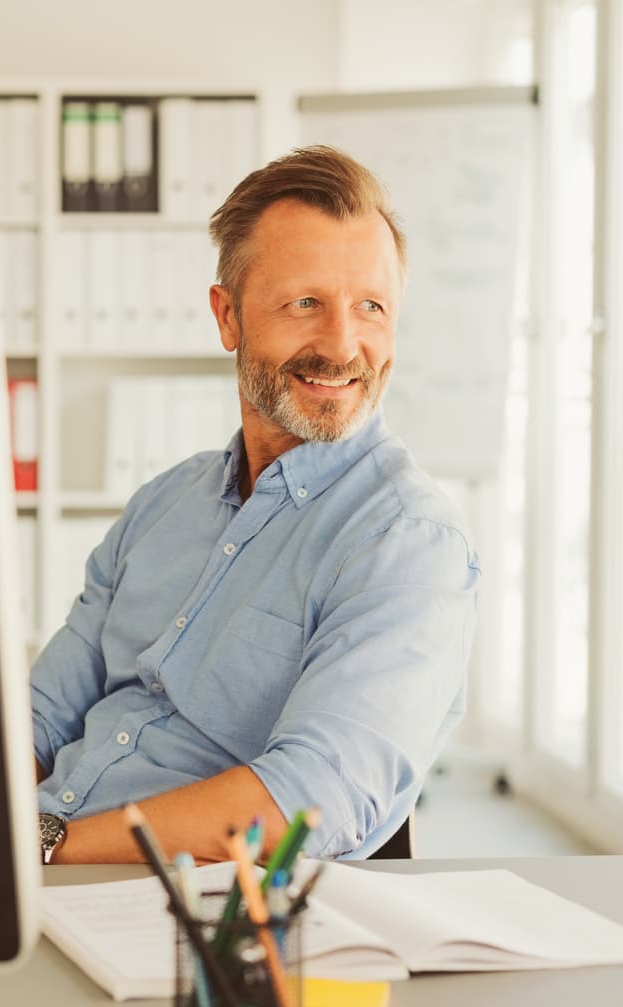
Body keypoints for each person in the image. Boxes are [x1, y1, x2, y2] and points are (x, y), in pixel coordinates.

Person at [31, 145, 480, 865]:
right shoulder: (163, 505)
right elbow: (40, 714)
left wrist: (46, 845)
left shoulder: (408, 541)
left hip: (186, 913)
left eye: (371, 307)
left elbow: (309, 803)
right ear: (228, 316)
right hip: (36, 869)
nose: (342, 345)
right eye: (305, 303)